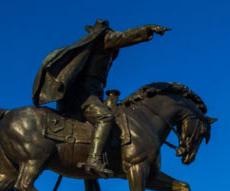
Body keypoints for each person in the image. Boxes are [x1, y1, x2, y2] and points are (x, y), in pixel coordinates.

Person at [32, 20, 170, 178]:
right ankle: (94, 159)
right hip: (86, 94)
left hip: (90, 94)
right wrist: (146, 29)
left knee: (95, 131)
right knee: (105, 117)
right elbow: (124, 36)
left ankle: (90, 186)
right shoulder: (103, 40)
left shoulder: (89, 49)